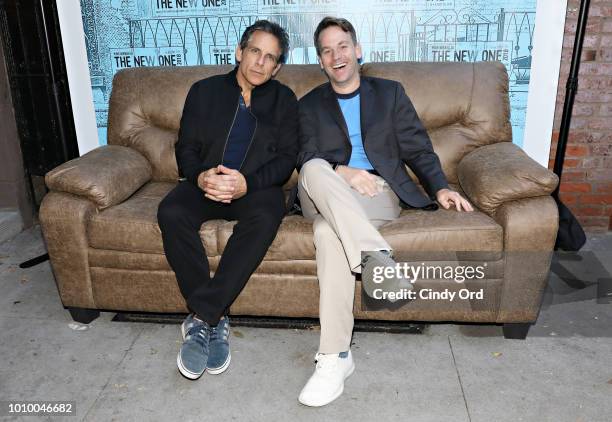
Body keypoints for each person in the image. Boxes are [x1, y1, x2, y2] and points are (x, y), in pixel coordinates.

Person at [296, 16, 473, 407]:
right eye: (326, 50)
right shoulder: (308, 105)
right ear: (320, 61)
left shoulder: (390, 94)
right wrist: (344, 171)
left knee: (328, 233)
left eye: (342, 46)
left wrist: (440, 186)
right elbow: (304, 154)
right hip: (325, 186)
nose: (335, 55)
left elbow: (417, 147)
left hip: (376, 191)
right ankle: (375, 257)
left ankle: (334, 358)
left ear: (357, 50)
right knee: (313, 168)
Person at [157, 20, 298, 380]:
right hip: (207, 182)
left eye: (270, 57)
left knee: (269, 214)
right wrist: (201, 176)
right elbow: (185, 146)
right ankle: (214, 318)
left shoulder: (284, 100)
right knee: (171, 210)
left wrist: (247, 184)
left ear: (277, 66)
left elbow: (286, 159)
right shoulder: (203, 91)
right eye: (255, 52)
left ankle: (203, 316)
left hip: (252, 188)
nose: (260, 63)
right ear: (239, 52)